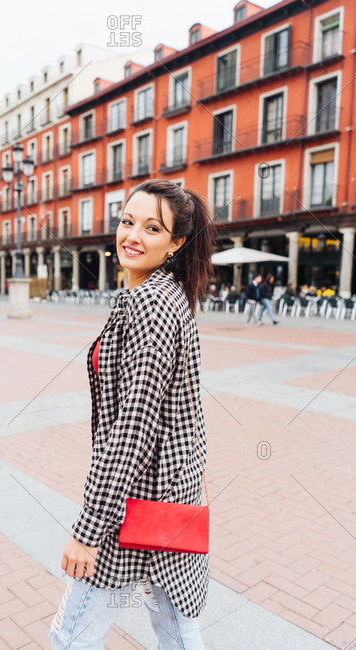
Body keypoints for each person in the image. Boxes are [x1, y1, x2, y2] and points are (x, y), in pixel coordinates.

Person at [49, 179, 215, 650]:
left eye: (152, 227)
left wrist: (87, 531)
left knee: (72, 636)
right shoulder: (162, 296)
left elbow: (132, 432)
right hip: (163, 498)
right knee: (176, 629)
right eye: (127, 221)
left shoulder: (152, 305)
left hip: (135, 505)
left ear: (176, 243)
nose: (133, 236)